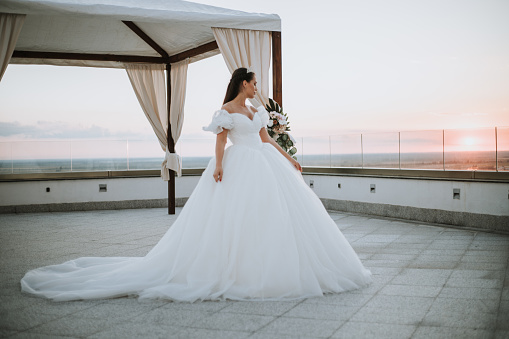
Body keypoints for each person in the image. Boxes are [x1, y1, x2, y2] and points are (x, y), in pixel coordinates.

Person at [21, 67, 372, 302]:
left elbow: (267, 140)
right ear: (242, 84)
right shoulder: (227, 110)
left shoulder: (256, 111)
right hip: (238, 164)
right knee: (234, 219)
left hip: (265, 164)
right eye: (252, 83)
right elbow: (220, 141)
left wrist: (290, 159)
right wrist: (219, 167)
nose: (255, 87)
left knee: (274, 216)